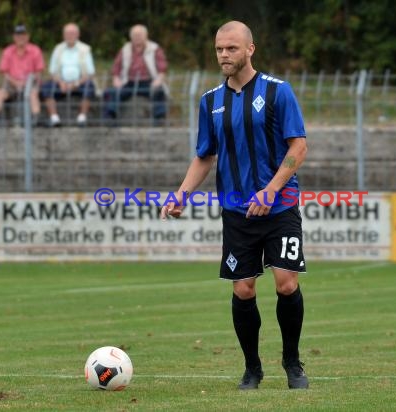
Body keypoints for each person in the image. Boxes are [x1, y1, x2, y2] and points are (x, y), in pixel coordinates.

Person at [160, 21, 309, 390]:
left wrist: (271, 190)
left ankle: (292, 363)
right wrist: (181, 194)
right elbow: (204, 156)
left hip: (279, 206)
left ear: (250, 49)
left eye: (231, 48)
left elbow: (299, 147)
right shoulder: (210, 101)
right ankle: (252, 369)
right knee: (243, 289)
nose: (224, 55)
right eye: (219, 49)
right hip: (237, 211)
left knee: (286, 284)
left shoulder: (278, 92)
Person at [104, 24, 168, 124]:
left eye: (140, 35)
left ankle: (159, 118)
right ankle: (111, 117)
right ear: (131, 37)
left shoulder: (155, 49)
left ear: (146, 36)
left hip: (149, 81)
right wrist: (116, 79)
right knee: (112, 92)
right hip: (129, 81)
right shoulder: (125, 49)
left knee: (159, 92)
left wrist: (158, 81)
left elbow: (162, 68)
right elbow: (116, 67)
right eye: (135, 35)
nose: (137, 37)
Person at [41, 23, 96, 127]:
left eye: (72, 33)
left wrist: (76, 83)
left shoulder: (85, 49)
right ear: (63, 35)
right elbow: (52, 72)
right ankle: (54, 118)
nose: (70, 36)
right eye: (67, 33)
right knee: (46, 87)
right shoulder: (58, 49)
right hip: (61, 84)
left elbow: (90, 73)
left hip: (80, 83)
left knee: (90, 87)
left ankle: (82, 118)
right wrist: (61, 82)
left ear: (78, 35)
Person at [0, 24, 44, 125]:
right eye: (18, 35)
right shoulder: (8, 51)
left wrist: (26, 83)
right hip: (11, 82)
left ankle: (36, 118)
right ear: (14, 37)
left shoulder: (35, 51)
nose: (20, 38)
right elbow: (5, 72)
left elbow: (38, 72)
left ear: (28, 36)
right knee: (0, 93)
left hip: (31, 81)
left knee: (33, 93)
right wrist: (15, 82)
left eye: (23, 35)